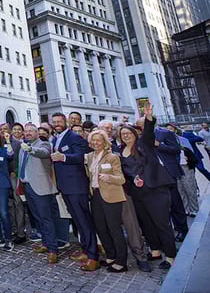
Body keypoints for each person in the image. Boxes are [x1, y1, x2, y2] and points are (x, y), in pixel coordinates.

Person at [120, 103, 176, 269]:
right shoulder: (121, 151)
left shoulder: (144, 143)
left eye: (128, 133)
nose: (125, 136)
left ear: (134, 133)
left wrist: (149, 116)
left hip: (155, 190)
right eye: (122, 134)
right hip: (138, 193)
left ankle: (171, 255)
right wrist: (134, 178)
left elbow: (149, 131)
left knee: (161, 223)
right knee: (147, 224)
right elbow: (127, 171)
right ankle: (155, 250)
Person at [50, 113, 99, 271]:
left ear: (65, 122)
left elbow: (80, 156)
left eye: (59, 121)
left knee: (84, 221)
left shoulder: (74, 137)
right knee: (78, 221)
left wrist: (63, 157)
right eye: (54, 122)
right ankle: (86, 250)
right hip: (65, 187)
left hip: (76, 187)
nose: (57, 124)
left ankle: (93, 257)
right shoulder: (55, 139)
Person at [85, 130, 128, 273]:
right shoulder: (89, 156)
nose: (95, 143)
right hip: (96, 195)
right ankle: (111, 256)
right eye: (93, 140)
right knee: (101, 228)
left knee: (114, 229)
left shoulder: (112, 157)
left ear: (105, 142)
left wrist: (109, 178)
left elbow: (121, 179)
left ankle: (121, 262)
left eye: (98, 140)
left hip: (111, 196)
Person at [18, 124, 59, 264]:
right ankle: (46, 243)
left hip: (41, 188)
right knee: (38, 218)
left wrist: (30, 149)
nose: (28, 133)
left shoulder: (44, 144)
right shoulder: (24, 145)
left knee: (46, 219)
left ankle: (53, 250)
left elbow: (43, 153)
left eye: (31, 131)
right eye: (26, 131)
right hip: (27, 187)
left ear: (37, 132)